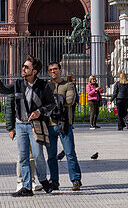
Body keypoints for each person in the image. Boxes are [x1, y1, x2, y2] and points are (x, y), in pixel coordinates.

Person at [0, 58, 57, 197]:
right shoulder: (18, 83)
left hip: (34, 125)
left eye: (26, 67)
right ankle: (27, 187)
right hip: (20, 124)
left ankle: (43, 179)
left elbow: (51, 104)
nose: (23, 69)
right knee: (23, 157)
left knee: (37, 155)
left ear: (34, 71)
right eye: (23, 66)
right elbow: (4, 90)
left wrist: (39, 112)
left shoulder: (43, 85)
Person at [44, 63, 83, 191]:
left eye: (55, 69)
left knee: (70, 152)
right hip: (49, 124)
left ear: (60, 70)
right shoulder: (47, 86)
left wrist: (52, 102)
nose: (53, 72)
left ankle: (76, 179)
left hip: (64, 123)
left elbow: (69, 101)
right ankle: (54, 181)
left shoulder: (68, 85)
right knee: (51, 156)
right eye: (50, 70)